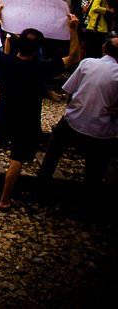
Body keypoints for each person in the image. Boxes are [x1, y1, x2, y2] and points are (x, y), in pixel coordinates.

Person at [0, 16, 80, 211]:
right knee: (17, 158)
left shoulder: (5, 61)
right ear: (38, 49)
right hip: (28, 117)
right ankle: (4, 199)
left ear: (16, 44)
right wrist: (73, 29)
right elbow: (73, 57)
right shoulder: (42, 67)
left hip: (5, 109)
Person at [37, 33, 118, 215]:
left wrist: (70, 109)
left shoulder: (87, 63)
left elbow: (69, 90)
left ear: (104, 49)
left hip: (75, 119)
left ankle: (43, 179)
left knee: (56, 142)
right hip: (102, 129)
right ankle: (88, 204)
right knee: (96, 168)